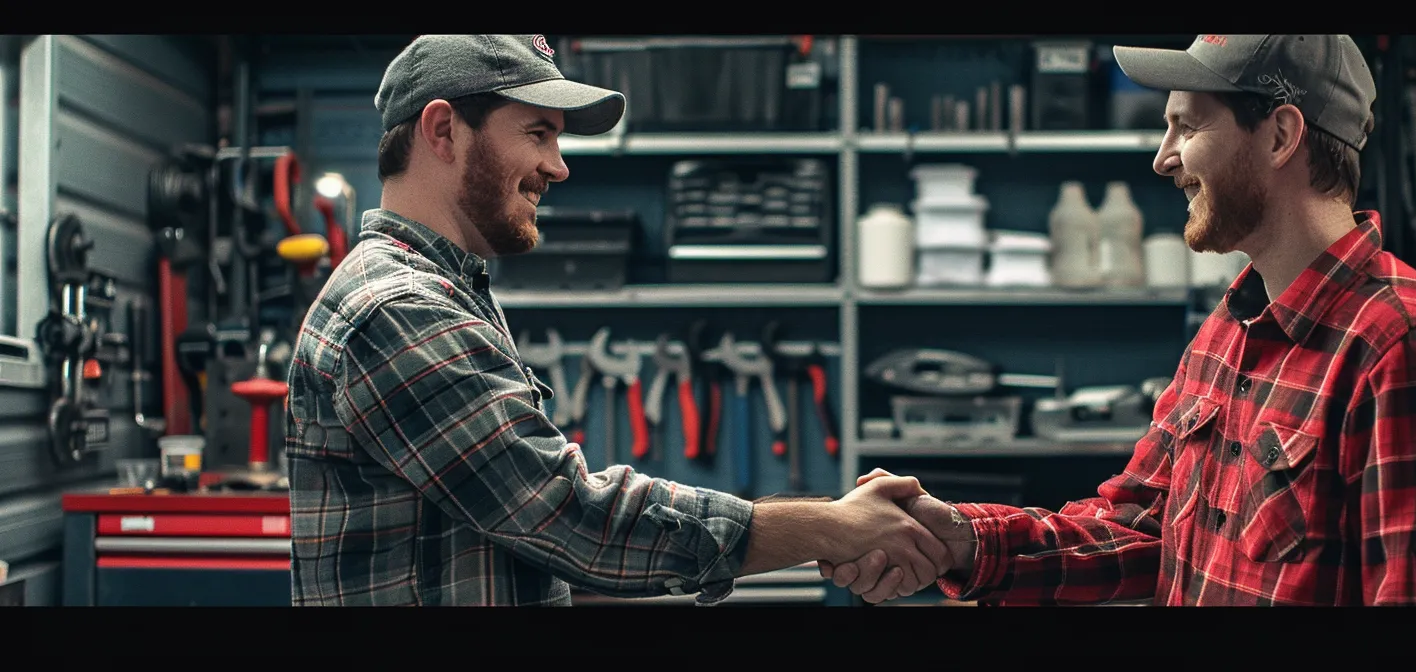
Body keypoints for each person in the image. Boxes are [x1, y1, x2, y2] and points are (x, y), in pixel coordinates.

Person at [824, 34, 1416, 606]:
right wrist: (961, 539)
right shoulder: (1228, 331)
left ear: (1279, 135)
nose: (1162, 157)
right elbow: (1140, 528)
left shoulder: (1404, 345)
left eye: (1187, 125)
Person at [284, 34, 949, 606]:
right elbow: (567, 517)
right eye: (536, 133)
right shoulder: (400, 309)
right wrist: (830, 527)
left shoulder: (442, 291)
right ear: (442, 131)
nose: (558, 166)